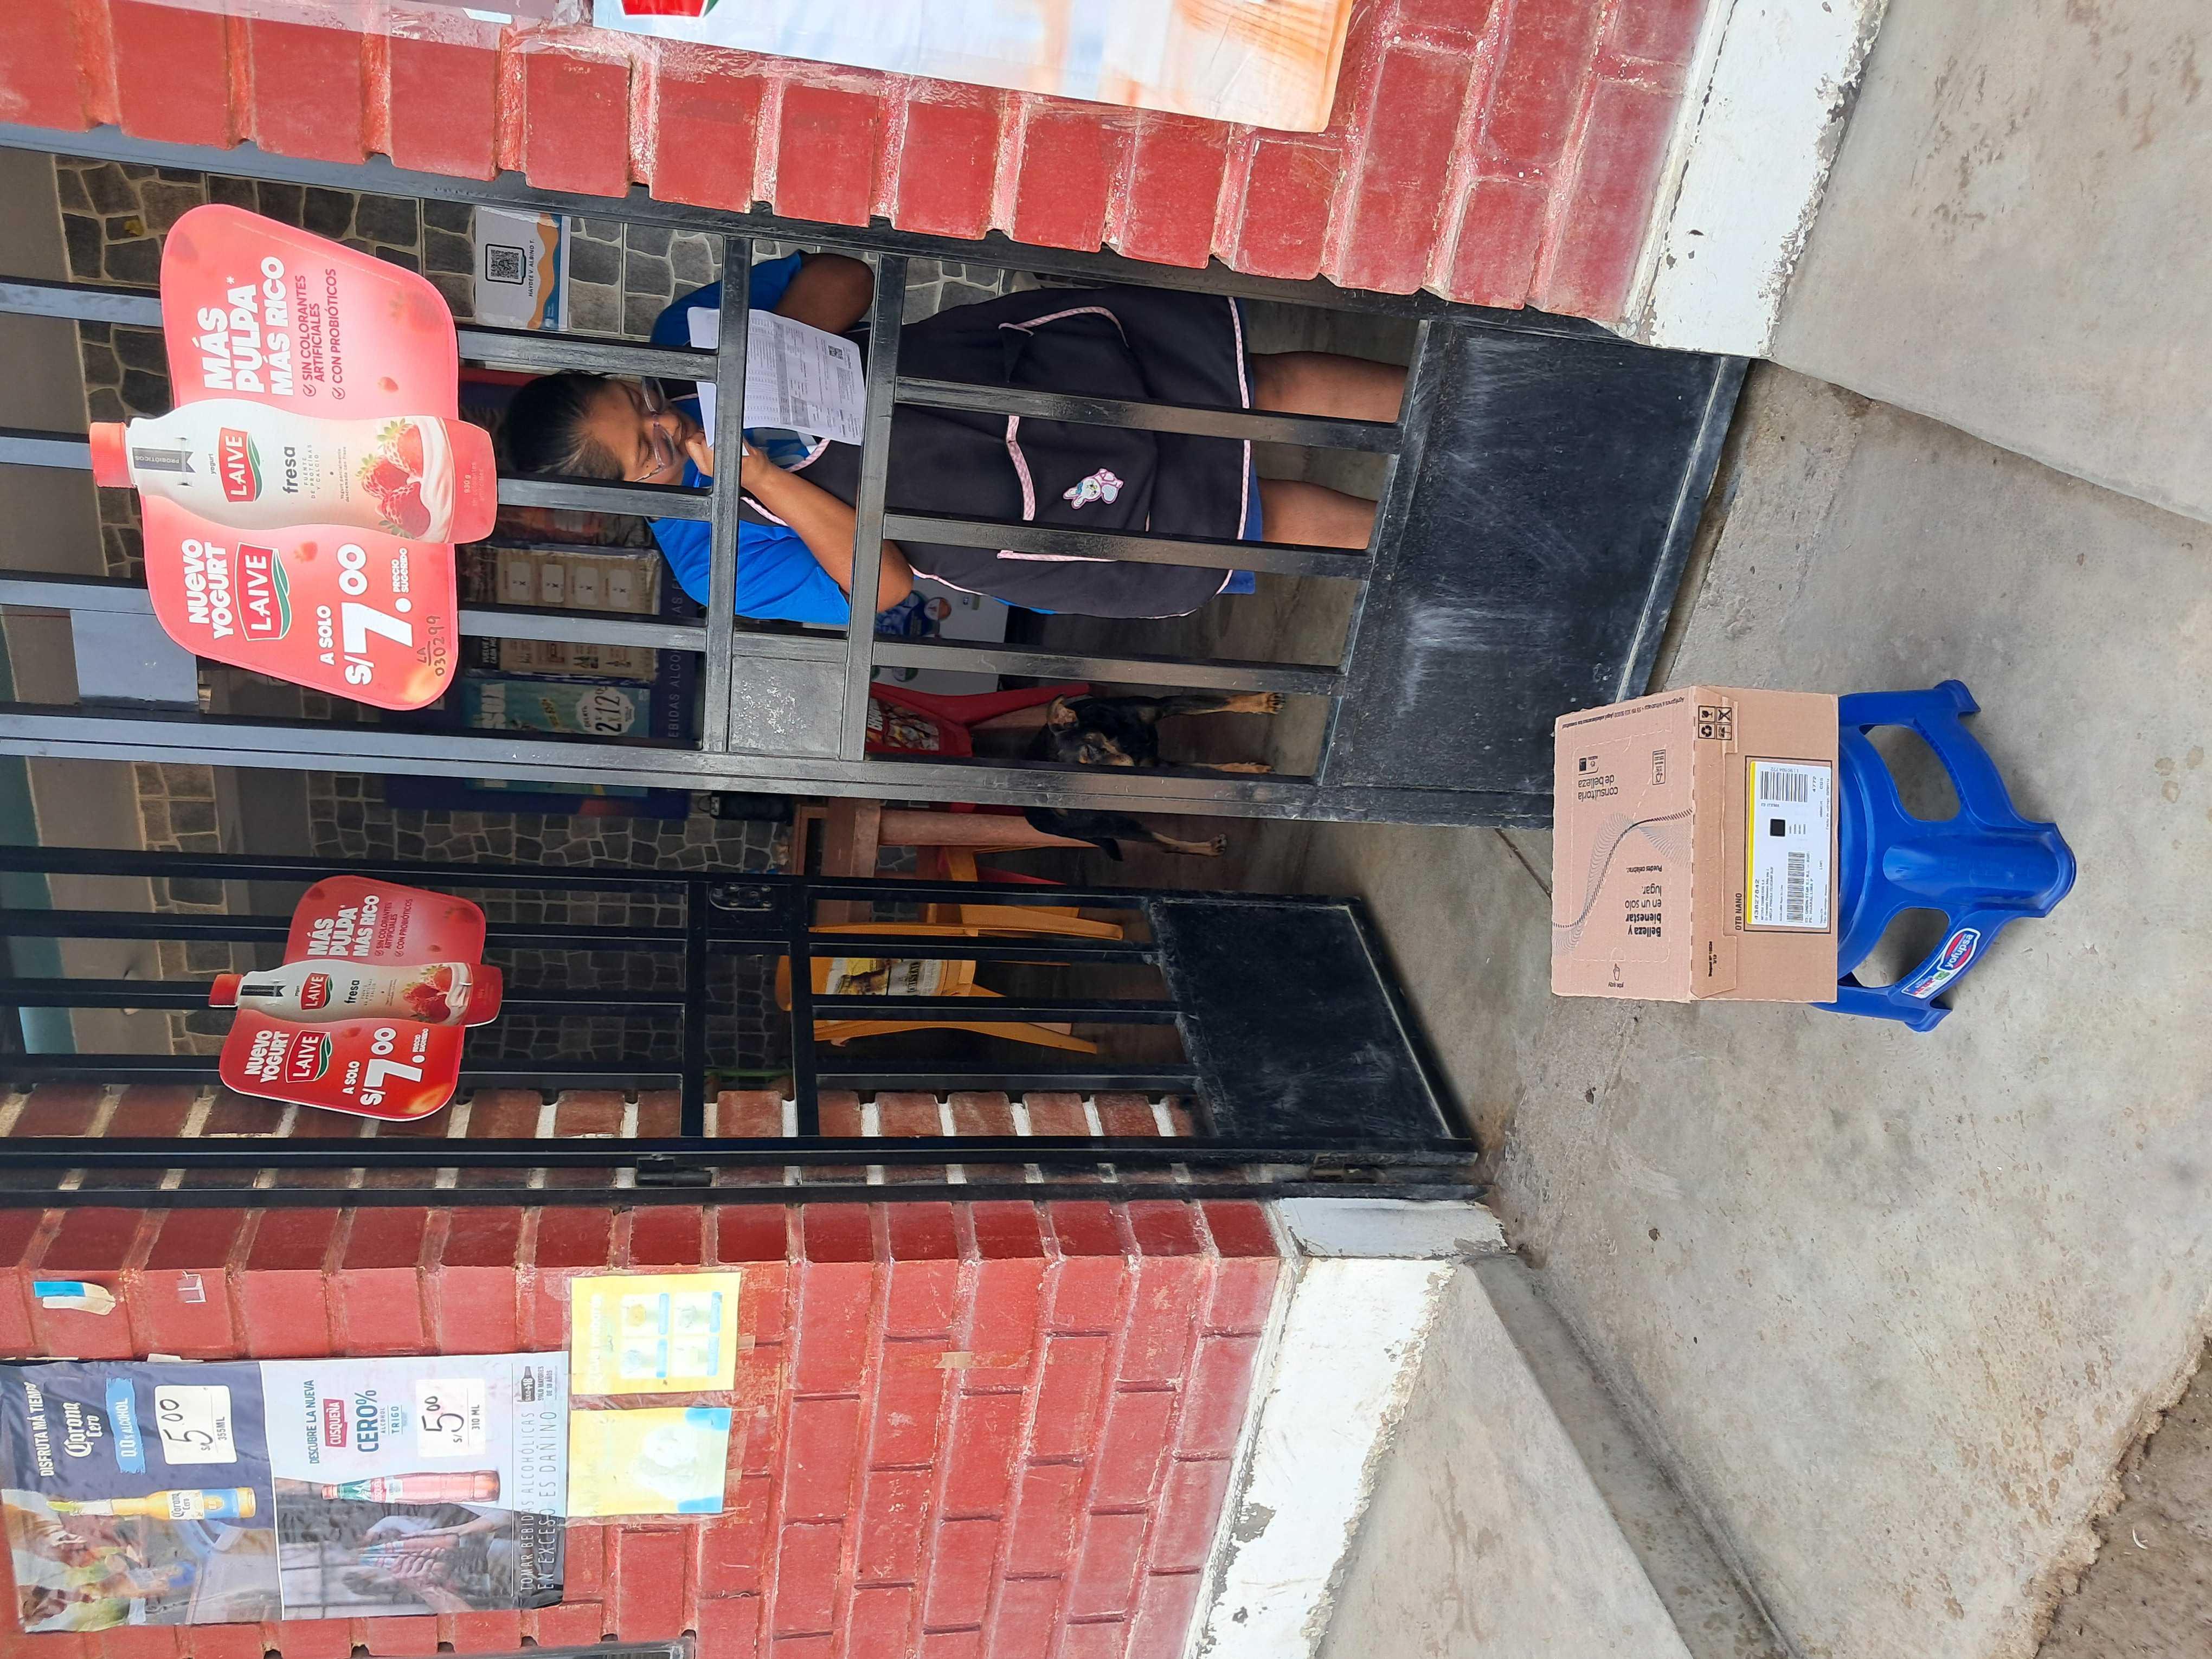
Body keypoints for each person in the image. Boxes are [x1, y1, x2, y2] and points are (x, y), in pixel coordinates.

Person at [502, 251, 1404, 624]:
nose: (668, 421)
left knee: (1251, 387)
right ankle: (1437, 535)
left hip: (997, 377)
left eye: (642, 400)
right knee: (1249, 514)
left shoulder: (682, 335)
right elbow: (885, 587)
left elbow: (845, 275)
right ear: (629, 496)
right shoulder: (708, 559)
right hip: (1009, 514)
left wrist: (775, 359)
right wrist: (759, 476)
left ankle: (1448, 407)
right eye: (652, 450)